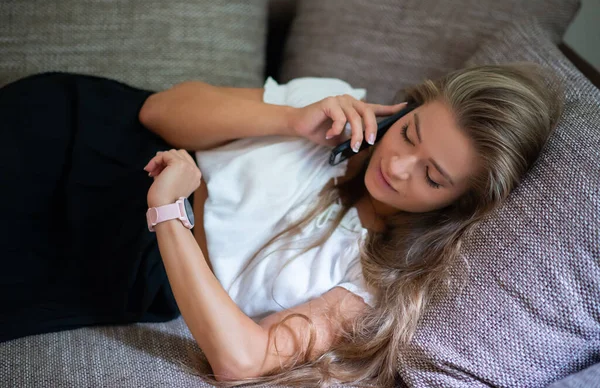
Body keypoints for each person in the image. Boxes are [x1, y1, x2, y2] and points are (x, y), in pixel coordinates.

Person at [0, 63, 562, 387]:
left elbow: (240, 360)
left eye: (432, 176)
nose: (396, 164)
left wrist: (169, 214)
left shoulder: (372, 278)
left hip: (132, 256)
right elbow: (158, 112)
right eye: (409, 133)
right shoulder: (337, 109)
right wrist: (291, 119)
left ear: (459, 204)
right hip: (103, 142)